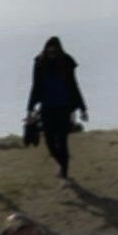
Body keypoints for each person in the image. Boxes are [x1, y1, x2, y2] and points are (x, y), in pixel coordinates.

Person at [25, 36, 87, 178]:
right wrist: (29, 109)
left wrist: (83, 108)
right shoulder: (40, 63)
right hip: (47, 107)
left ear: (59, 51)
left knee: (62, 140)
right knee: (49, 142)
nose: (51, 54)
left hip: (64, 107)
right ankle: (61, 162)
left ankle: (64, 171)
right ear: (45, 51)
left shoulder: (66, 62)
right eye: (49, 52)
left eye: (54, 52)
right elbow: (35, 87)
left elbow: (74, 85)